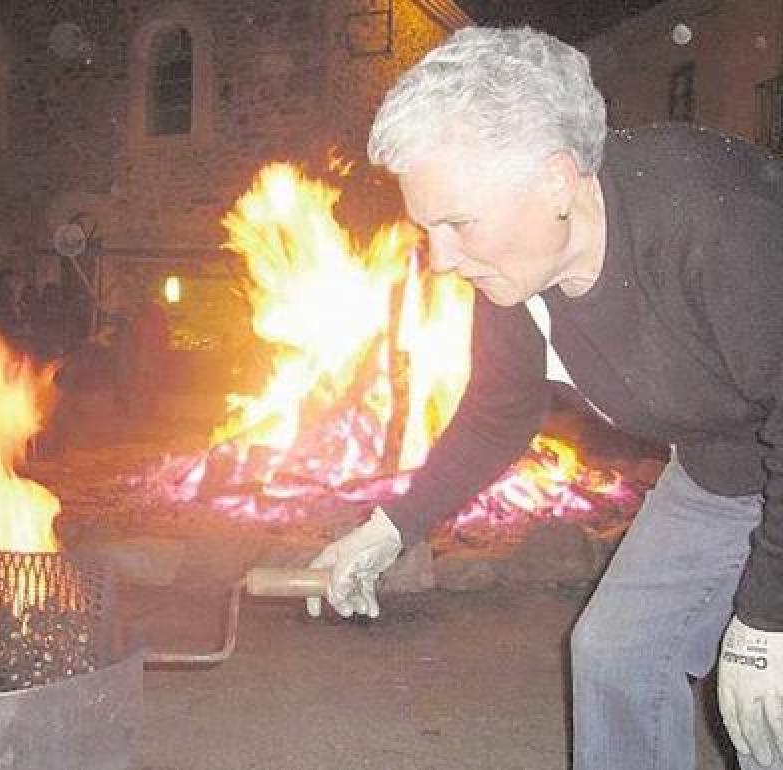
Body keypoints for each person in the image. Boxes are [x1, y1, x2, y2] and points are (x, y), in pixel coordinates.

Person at [304, 26, 783, 770]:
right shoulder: (515, 272)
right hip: (724, 466)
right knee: (619, 653)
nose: (440, 258)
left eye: (457, 222)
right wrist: (390, 528)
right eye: (427, 229)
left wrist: (766, 621)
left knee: (768, 709)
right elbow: (500, 411)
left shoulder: (717, 221)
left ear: (557, 180)